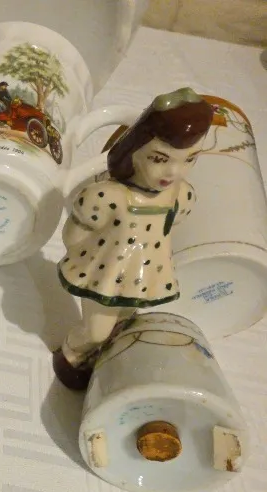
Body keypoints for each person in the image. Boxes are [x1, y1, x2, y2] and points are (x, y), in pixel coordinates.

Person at [53, 87, 214, 390]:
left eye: (189, 159)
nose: (174, 171)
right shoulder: (109, 196)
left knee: (123, 325)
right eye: (159, 158)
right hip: (102, 276)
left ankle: (99, 361)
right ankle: (71, 357)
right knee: (97, 330)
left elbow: (167, 231)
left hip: (143, 276)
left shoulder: (181, 195)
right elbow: (73, 235)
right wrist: (89, 260)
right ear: (135, 149)